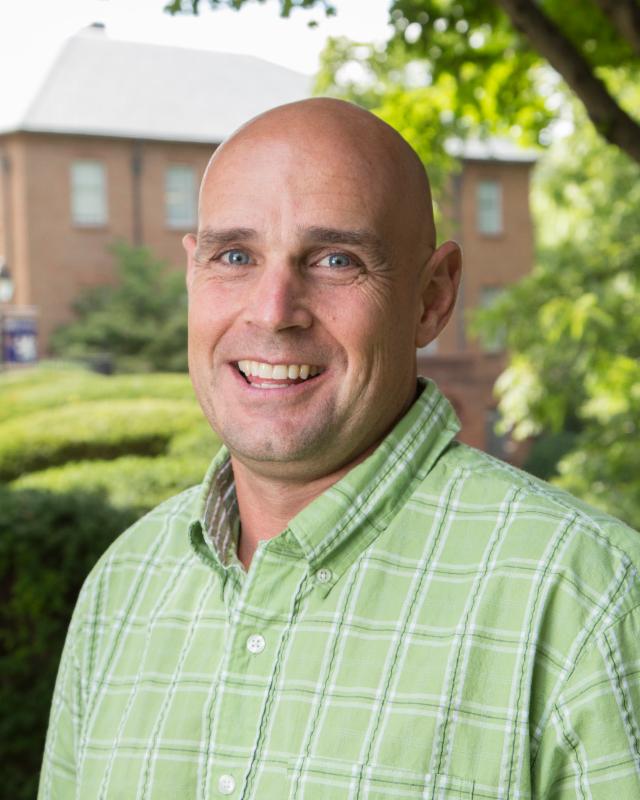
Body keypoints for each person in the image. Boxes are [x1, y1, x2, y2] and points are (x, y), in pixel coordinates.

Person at [39, 99, 640, 800]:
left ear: (431, 298)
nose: (273, 311)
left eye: (335, 260)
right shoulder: (124, 584)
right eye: (234, 256)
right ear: (192, 274)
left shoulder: (587, 598)